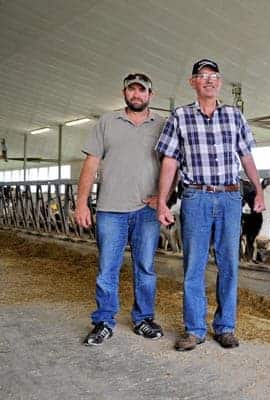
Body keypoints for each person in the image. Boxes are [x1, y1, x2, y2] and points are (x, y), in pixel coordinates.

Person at [155, 58, 265, 351]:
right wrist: (162, 202)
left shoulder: (234, 116)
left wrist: (258, 190)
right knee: (194, 265)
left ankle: (225, 327)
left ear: (220, 82)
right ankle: (194, 330)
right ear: (193, 82)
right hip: (196, 196)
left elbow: (246, 156)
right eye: (202, 76)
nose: (208, 80)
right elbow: (169, 162)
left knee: (229, 263)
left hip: (230, 196)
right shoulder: (179, 116)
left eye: (213, 76)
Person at [76, 73, 166, 346]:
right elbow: (91, 164)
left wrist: (163, 197)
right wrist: (81, 203)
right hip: (110, 209)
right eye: (132, 90)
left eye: (142, 90)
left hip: (146, 210)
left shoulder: (162, 124)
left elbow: (171, 164)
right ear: (124, 92)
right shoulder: (107, 121)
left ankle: (143, 319)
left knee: (145, 267)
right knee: (107, 268)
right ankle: (104, 321)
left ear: (151, 94)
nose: (136, 95)